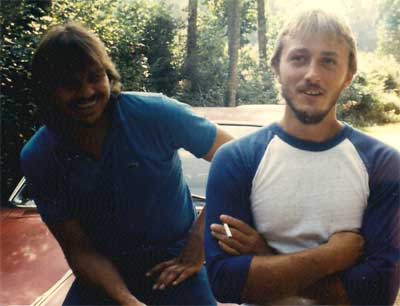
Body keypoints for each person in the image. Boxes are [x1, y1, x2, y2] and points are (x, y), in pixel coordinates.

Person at [20, 22, 232, 306]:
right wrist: (125, 299)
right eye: (71, 84)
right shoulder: (40, 155)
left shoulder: (155, 114)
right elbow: (79, 249)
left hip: (176, 263)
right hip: (103, 272)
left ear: (108, 74)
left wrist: (199, 241)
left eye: (95, 77)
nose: (86, 92)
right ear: (47, 90)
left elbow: (235, 158)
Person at [204, 9, 400, 306]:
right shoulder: (235, 160)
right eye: (298, 58)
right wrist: (330, 257)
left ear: (349, 75)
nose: (312, 74)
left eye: (329, 61)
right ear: (276, 66)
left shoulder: (384, 164)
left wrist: (265, 257)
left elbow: (377, 291)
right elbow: (225, 280)